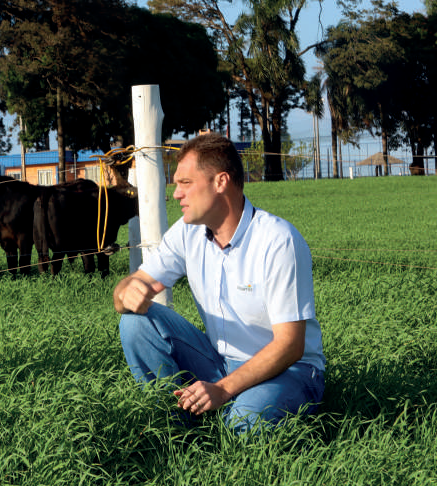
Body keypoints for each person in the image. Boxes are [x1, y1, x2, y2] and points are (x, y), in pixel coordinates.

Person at [113, 132, 325, 432]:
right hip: (219, 361)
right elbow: (129, 288)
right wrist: (126, 294)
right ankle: (175, 427)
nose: (175, 194)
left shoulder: (278, 240)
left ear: (220, 182)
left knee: (244, 421)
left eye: (185, 183)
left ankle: (228, 412)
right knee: (135, 323)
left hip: (289, 371)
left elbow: (290, 345)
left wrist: (224, 389)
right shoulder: (187, 232)